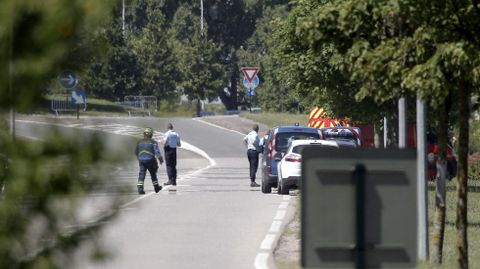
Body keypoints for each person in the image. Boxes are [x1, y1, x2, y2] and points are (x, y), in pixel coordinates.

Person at [135, 127, 163, 194]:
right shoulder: (153, 142)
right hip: (150, 160)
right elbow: (157, 151)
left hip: (141, 160)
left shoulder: (139, 142)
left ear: (144, 134)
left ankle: (140, 189)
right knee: (153, 173)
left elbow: (136, 152)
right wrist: (160, 159)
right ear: (151, 134)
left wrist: (139, 158)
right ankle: (156, 188)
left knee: (142, 174)